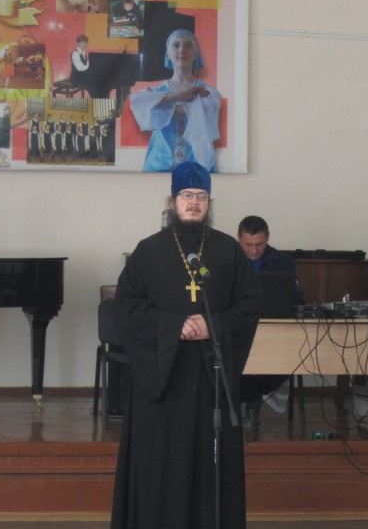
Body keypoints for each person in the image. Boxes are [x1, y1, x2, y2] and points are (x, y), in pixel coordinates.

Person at [111, 161, 262, 529]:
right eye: (186, 195)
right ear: (172, 201)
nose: (194, 202)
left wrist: (213, 325)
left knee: (210, 464)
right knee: (162, 465)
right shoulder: (148, 251)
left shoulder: (228, 251)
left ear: (209, 203)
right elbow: (127, 307)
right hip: (162, 380)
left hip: (210, 381)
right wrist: (173, 326)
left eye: (201, 196)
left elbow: (249, 305)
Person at [236, 215, 302, 429]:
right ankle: (247, 403)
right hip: (238, 328)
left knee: (283, 362)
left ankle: (249, 400)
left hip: (274, 330)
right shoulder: (228, 259)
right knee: (230, 362)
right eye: (247, 245)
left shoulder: (283, 262)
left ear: (268, 238)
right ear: (238, 239)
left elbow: (294, 298)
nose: (253, 250)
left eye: (259, 244)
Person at [129, 28, 221, 172]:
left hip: (196, 165)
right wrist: (179, 96)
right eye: (176, 45)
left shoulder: (209, 92)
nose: (182, 50)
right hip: (160, 164)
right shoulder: (158, 91)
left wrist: (163, 105)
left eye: (188, 45)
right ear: (168, 54)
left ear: (196, 53)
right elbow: (136, 101)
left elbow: (206, 112)